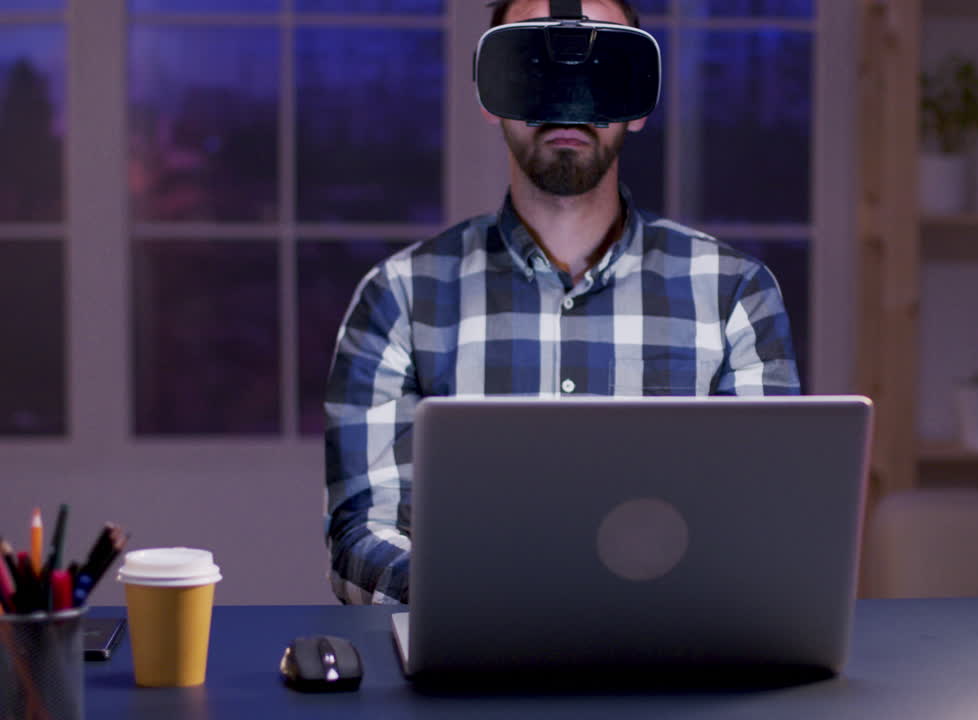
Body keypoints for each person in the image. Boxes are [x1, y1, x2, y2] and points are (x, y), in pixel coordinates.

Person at [323, 0, 801, 604]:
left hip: (674, 647)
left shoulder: (734, 293)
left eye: (600, 67)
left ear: (638, 101)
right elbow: (361, 534)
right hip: (469, 650)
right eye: (535, 65)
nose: (568, 100)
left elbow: (765, 525)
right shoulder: (399, 296)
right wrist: (476, 600)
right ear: (490, 93)